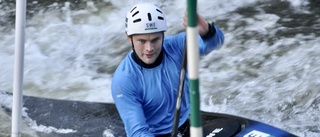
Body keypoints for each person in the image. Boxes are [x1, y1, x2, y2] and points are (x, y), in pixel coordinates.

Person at [111, 3, 224, 137]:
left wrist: (206, 30)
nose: (149, 48)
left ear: (163, 35)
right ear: (129, 38)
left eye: (155, 39)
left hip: (187, 123)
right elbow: (138, 132)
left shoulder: (175, 46)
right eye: (142, 41)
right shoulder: (123, 80)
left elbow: (214, 43)